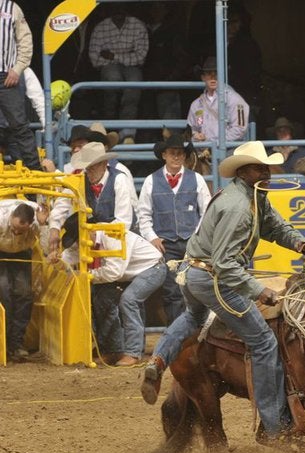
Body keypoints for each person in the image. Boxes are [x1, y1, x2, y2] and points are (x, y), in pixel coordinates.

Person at [140, 141, 305, 443]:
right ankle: (275, 426)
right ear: (245, 171)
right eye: (260, 168)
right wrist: (258, 290)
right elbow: (224, 264)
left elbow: (275, 226)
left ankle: (158, 360)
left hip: (192, 273)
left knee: (194, 316)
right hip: (213, 278)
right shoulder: (239, 208)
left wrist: (301, 244)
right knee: (263, 341)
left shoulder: (250, 196)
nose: (267, 173)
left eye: (267, 167)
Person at [59, 214, 166, 366]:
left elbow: (115, 272)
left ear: (88, 231)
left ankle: (133, 353)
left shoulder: (112, 235)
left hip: (153, 268)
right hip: (131, 274)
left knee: (129, 300)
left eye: (77, 238)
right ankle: (112, 350)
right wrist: (58, 260)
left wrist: (85, 275)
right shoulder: (90, 237)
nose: (77, 243)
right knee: (102, 298)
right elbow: (70, 254)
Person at [136, 133, 212, 324]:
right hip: (166, 245)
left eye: (180, 153)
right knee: (172, 292)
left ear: (185, 156)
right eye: (172, 153)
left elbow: (207, 211)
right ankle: (178, 336)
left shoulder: (197, 179)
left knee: (195, 287)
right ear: (164, 155)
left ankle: (196, 333)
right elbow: (143, 215)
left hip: (191, 243)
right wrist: (152, 237)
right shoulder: (150, 181)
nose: (176, 157)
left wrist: (196, 237)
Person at [47, 141, 137, 259]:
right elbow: (63, 202)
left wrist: (96, 233)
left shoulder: (119, 179)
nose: (89, 171)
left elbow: (124, 223)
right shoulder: (82, 178)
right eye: (87, 167)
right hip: (100, 238)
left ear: (104, 164)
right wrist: (54, 228)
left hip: (126, 239)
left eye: (93, 167)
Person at [88, 7, 149, 144]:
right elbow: (95, 59)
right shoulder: (101, 27)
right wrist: (126, 56)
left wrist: (113, 56)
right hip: (110, 68)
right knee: (113, 78)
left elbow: (140, 57)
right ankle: (110, 129)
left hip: (132, 67)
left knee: (134, 83)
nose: (118, 8)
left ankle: (128, 134)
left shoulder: (137, 25)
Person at [0, 199, 43, 362]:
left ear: (30, 224)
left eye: (21, 231)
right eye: (15, 229)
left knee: (25, 294)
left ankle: (16, 344)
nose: (17, 233)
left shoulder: (39, 221)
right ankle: (3, 343)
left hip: (22, 252)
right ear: (10, 217)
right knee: (3, 293)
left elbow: (45, 238)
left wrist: (49, 253)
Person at [0, 1, 40, 169]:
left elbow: (25, 40)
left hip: (6, 76)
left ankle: (34, 173)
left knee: (19, 126)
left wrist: (17, 69)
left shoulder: (11, 7)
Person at [187, 56, 250, 144]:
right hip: (203, 151)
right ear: (203, 77)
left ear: (222, 75)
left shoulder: (235, 100)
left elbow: (239, 130)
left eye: (216, 73)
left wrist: (214, 143)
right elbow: (191, 130)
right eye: (209, 73)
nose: (213, 77)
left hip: (228, 150)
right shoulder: (196, 104)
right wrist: (196, 136)